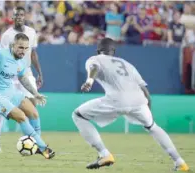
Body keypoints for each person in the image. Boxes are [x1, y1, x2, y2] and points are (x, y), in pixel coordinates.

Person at [71, 38, 189, 171]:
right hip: (139, 101)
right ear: (113, 51)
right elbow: (145, 91)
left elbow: (94, 67)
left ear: (98, 50)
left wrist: (89, 82)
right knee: (153, 127)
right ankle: (180, 162)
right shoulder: (127, 64)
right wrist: (148, 111)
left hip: (116, 99)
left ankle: (104, 154)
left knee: (78, 115)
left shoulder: (95, 58)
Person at [0, 6, 44, 152]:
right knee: (1, 108)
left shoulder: (31, 32)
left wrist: (39, 72)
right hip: (10, 74)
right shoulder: (7, 35)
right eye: (16, 15)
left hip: (26, 72)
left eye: (21, 14)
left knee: (33, 105)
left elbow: (33, 54)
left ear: (24, 16)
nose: (19, 17)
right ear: (12, 17)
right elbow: (1, 56)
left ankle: (33, 140)